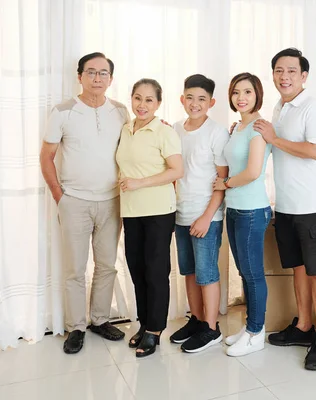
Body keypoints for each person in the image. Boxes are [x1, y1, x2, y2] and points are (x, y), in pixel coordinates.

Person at [40, 52, 129, 354]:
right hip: (74, 201)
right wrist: (59, 195)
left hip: (112, 201)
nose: (97, 78)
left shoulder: (120, 111)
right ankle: (76, 327)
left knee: (106, 265)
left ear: (110, 79)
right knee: (75, 269)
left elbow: (136, 144)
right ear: (79, 76)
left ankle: (100, 320)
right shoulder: (62, 111)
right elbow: (47, 157)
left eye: (103, 73)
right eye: (91, 72)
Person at [254, 48, 316, 371]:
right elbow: (271, 143)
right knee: (298, 269)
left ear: (303, 76)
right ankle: (302, 326)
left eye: (291, 71)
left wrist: (274, 137)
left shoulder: (312, 108)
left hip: (312, 206)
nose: (284, 76)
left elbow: (315, 150)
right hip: (285, 206)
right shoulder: (279, 107)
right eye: (278, 71)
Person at [116, 78, 183, 358]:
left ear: (158, 104)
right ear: (131, 99)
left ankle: (155, 331)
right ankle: (144, 324)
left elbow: (176, 170)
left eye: (149, 100)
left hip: (158, 211)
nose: (142, 105)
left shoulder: (164, 132)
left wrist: (139, 183)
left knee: (156, 272)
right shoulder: (125, 129)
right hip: (131, 211)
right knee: (137, 270)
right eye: (138, 98)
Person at [169, 74, 229, 353]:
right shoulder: (176, 129)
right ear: (182, 99)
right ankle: (196, 320)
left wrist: (207, 217)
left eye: (201, 99)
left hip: (206, 215)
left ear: (211, 102)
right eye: (190, 98)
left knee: (207, 273)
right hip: (180, 213)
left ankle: (211, 328)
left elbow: (222, 180)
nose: (195, 103)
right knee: (190, 272)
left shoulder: (217, 132)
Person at [213, 72, 272, 357]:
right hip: (235, 208)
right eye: (236, 92)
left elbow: (252, 172)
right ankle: (250, 327)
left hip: (251, 210)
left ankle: (256, 332)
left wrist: (224, 184)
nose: (241, 98)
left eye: (247, 92)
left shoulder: (258, 128)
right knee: (244, 273)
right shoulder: (238, 127)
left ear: (257, 94)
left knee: (253, 274)